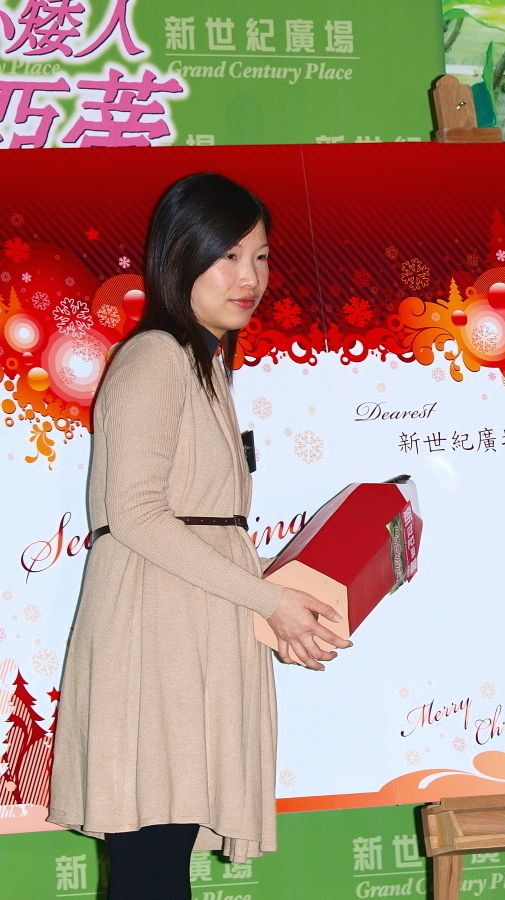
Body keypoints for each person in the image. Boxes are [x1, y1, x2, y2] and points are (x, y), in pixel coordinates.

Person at [48, 173, 349, 898]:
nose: (250, 278)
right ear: (181, 256)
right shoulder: (156, 356)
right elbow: (136, 513)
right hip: (157, 637)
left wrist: (285, 597)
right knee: (151, 866)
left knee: (160, 862)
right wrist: (269, 601)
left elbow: (203, 527)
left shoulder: (204, 365)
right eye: (228, 256)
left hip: (191, 633)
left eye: (261, 257)